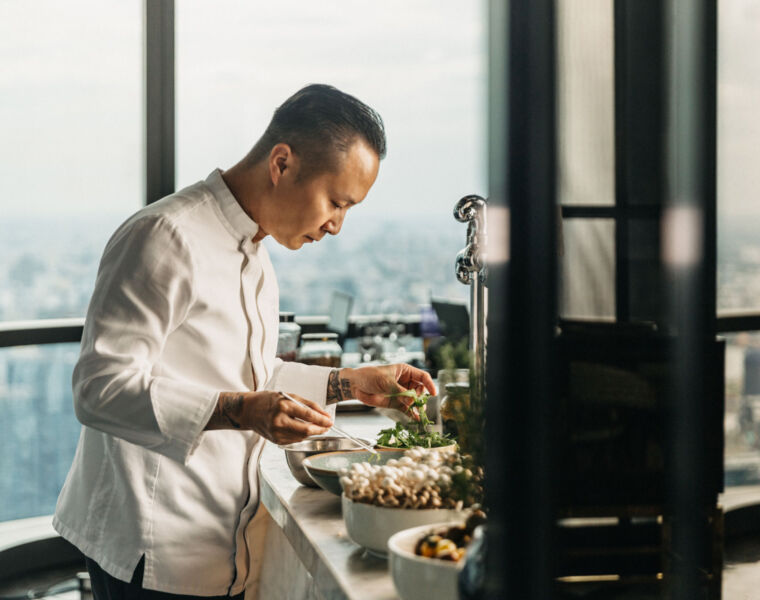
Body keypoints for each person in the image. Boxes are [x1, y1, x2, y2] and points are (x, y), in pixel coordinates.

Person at [53, 84, 436, 600]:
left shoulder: (256, 250)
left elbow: (247, 374)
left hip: (219, 542)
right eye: (335, 201)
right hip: (153, 550)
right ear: (282, 163)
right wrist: (241, 410)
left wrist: (348, 383)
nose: (337, 225)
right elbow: (98, 389)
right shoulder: (164, 236)